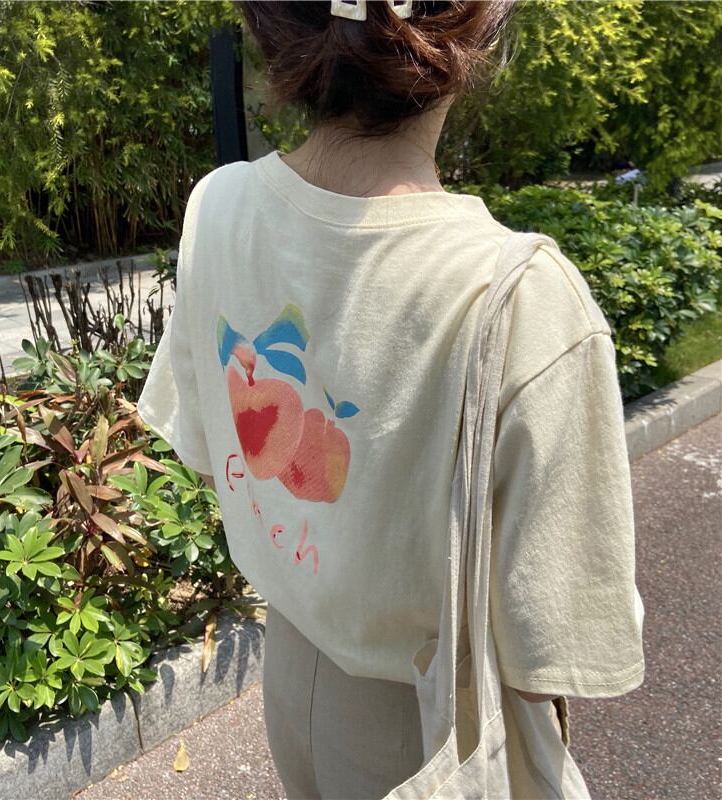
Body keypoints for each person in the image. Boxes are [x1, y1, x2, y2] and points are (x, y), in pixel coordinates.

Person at [136, 1, 645, 797]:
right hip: (426, 732)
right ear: (479, 33)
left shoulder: (220, 205)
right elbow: (551, 642)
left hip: (289, 676)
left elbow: (212, 455)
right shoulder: (520, 295)